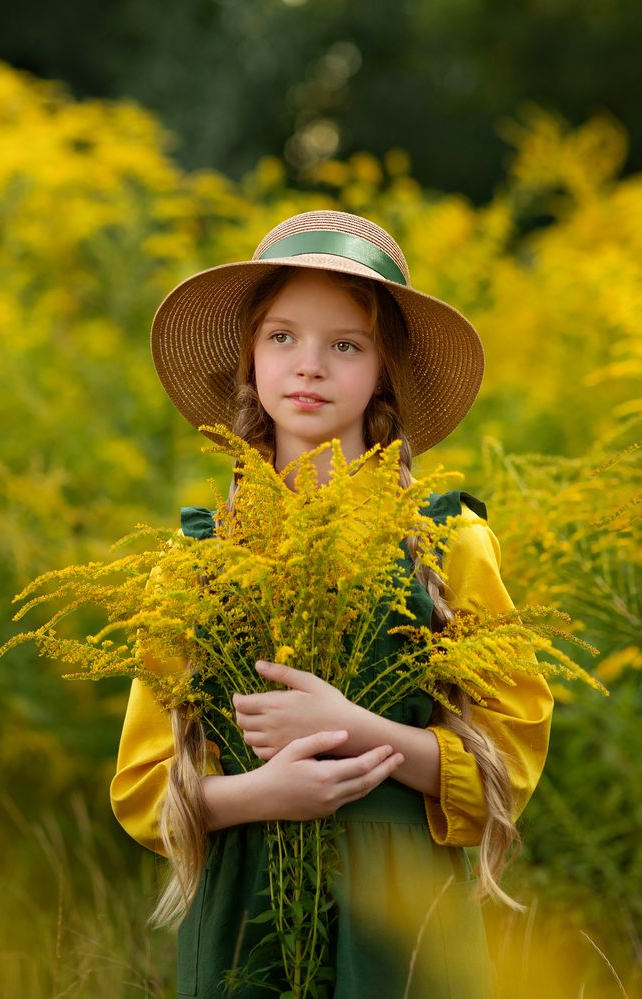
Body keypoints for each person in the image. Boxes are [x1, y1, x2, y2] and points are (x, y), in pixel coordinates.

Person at [111, 210, 553, 997]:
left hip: (404, 929)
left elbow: (507, 768)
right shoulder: (196, 561)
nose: (307, 366)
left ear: (383, 369)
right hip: (244, 923)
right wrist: (258, 794)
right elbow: (144, 791)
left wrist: (354, 726)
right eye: (281, 337)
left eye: (344, 344)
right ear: (250, 357)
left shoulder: (449, 543)